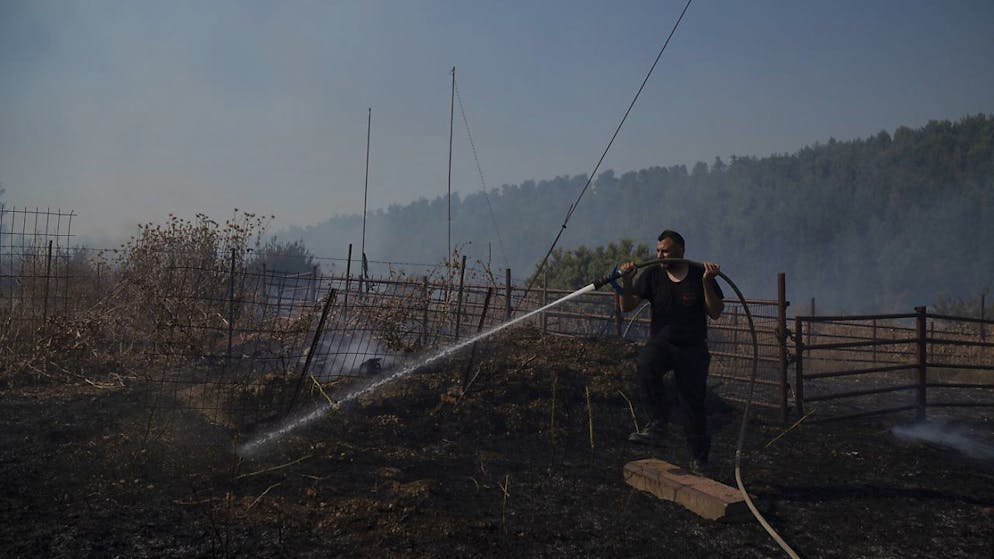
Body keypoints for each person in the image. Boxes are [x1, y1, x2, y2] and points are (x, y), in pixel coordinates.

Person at [618, 229, 723, 474]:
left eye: (665, 251)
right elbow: (627, 306)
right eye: (658, 251)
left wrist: (707, 282)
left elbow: (715, 311)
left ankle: (700, 459)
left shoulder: (699, 273)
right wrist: (625, 281)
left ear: (680, 251)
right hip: (662, 344)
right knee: (645, 365)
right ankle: (657, 424)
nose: (660, 255)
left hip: (693, 349)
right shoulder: (653, 274)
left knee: (692, 405)